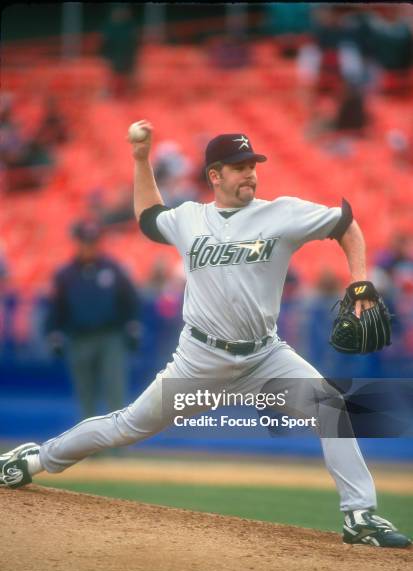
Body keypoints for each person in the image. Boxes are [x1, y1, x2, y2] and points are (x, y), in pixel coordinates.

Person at [0, 123, 410, 549]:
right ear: (215, 175)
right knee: (127, 426)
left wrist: (360, 283)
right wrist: (141, 160)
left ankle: (359, 515)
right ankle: (32, 460)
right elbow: (148, 217)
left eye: (252, 164)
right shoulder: (191, 218)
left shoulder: (282, 213)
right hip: (200, 360)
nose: (250, 172)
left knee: (332, 406)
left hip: (264, 357)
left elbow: (347, 225)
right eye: (239, 167)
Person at [44, 220, 140, 418]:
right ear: (78, 242)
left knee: (115, 389)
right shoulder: (65, 274)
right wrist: (53, 333)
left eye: (93, 242)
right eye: (86, 242)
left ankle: (116, 445)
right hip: (79, 338)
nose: (90, 246)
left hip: (110, 337)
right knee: (85, 393)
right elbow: (56, 307)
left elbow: (130, 299)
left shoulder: (113, 269)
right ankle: (89, 445)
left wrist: (132, 326)